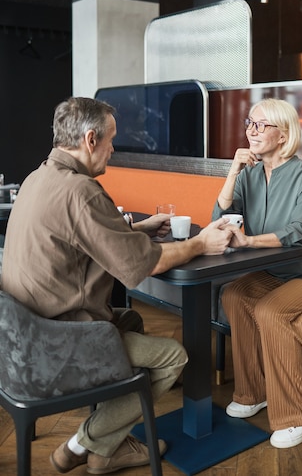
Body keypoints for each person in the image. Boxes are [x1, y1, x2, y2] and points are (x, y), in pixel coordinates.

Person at [2, 96, 232, 475]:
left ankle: (109, 446)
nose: (113, 149)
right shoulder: (82, 191)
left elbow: (78, 236)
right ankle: (82, 445)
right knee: (175, 357)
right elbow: (148, 263)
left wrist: (137, 228)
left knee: (132, 322)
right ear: (90, 140)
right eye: (111, 140)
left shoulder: (38, 177)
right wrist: (202, 243)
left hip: (23, 334)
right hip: (59, 339)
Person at [212, 98, 302, 449]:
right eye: (249, 123)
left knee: (270, 311)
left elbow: (298, 233)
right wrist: (232, 172)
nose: (250, 131)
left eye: (260, 125)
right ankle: (253, 392)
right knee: (233, 294)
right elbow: (221, 219)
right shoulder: (250, 175)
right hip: (270, 269)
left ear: (283, 134)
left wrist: (249, 242)